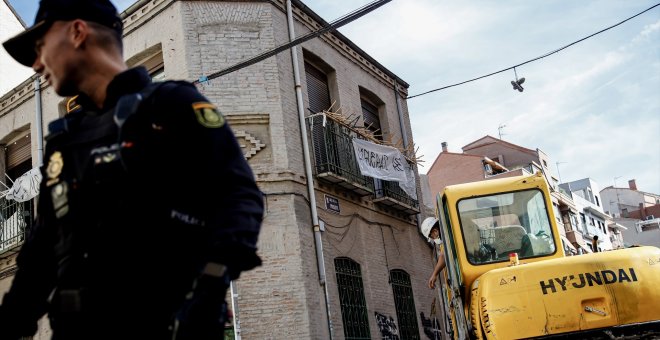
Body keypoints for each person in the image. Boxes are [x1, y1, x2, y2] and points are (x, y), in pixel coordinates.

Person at [0, 0, 264, 339]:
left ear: (77, 32)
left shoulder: (172, 105)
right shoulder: (64, 141)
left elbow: (240, 200)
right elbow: (41, 253)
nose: (36, 64)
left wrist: (209, 285)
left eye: (40, 47)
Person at [421, 217, 446, 289]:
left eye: (432, 236)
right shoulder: (447, 232)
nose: (433, 238)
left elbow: (443, 256)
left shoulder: (449, 234)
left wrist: (434, 274)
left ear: (435, 231)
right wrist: (434, 274)